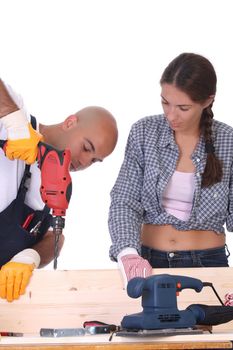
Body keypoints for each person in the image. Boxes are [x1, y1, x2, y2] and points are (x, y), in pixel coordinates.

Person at [108, 52, 233, 289]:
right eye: (165, 102)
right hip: (148, 262)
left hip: (208, 264)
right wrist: (127, 252)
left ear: (207, 101)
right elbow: (125, 199)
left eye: (183, 107)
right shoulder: (144, 132)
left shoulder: (228, 140)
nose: (171, 115)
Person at [0, 79, 118, 302]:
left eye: (94, 160)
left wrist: (32, 256)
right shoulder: (14, 119)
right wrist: (14, 124)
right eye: (86, 148)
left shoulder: (60, 186)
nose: (83, 161)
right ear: (70, 122)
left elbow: (55, 237)